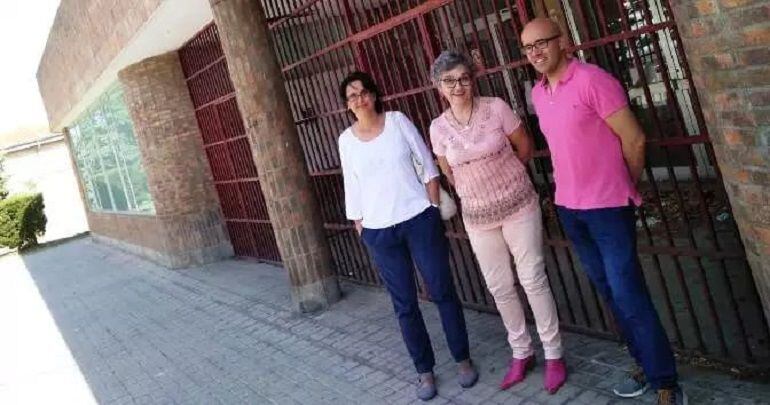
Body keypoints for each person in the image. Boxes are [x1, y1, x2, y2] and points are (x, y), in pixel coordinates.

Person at [520, 18, 686, 405]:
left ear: (562, 41)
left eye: (542, 43)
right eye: (528, 48)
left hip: (608, 209)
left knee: (629, 295)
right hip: (571, 209)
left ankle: (667, 383)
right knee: (610, 294)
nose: (536, 53)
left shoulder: (593, 80)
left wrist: (622, 185)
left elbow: (634, 139)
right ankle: (644, 365)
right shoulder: (540, 94)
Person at [428, 50, 566, 394]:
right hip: (478, 217)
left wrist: (505, 182)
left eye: (463, 78)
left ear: (472, 79)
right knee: (500, 287)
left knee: (532, 278)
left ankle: (554, 354)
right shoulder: (437, 128)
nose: (458, 86)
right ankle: (522, 352)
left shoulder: (496, 108)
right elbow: (449, 171)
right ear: (438, 87)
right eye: (449, 81)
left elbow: (524, 146)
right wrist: (477, 192)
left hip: (519, 205)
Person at [337, 71, 478, 401]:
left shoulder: (397, 121)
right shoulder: (346, 140)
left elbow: (427, 164)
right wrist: (360, 225)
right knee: (404, 305)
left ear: (374, 94)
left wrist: (430, 205)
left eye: (363, 92)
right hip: (379, 231)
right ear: (347, 105)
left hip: (418, 220)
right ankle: (424, 371)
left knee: (442, 290)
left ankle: (463, 359)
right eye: (352, 96)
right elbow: (352, 186)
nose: (359, 99)